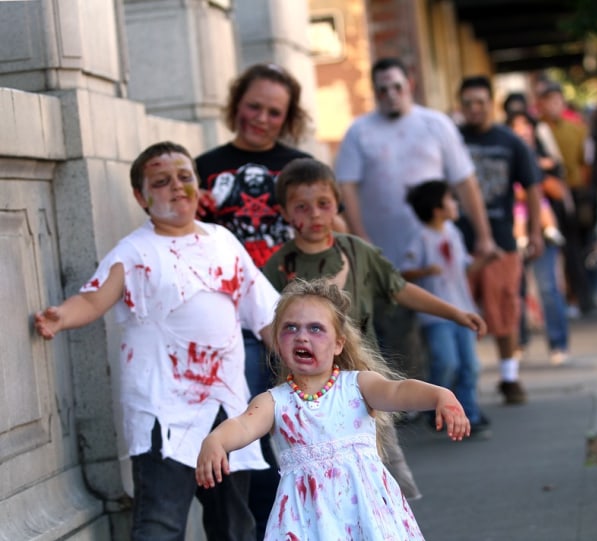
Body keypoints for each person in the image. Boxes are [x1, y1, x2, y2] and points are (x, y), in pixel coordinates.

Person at [33, 141, 280, 541]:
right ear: (140, 196)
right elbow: (94, 297)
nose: (177, 188)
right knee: (160, 525)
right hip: (162, 414)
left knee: (234, 524)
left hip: (227, 407)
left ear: (199, 186)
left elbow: (266, 314)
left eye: (185, 177)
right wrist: (62, 317)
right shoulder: (135, 252)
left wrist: (299, 355)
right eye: (161, 182)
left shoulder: (223, 241)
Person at [261, 157, 487, 499]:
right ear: (285, 213)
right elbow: (265, 322)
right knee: (328, 480)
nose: (315, 215)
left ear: (337, 203)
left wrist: (454, 313)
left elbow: (400, 288)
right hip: (309, 393)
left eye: (323, 204)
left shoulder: (357, 251)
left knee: (385, 468)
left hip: (362, 381)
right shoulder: (279, 266)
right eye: (302, 207)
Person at [196, 278, 471, 540]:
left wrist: (439, 395)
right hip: (306, 520)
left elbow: (397, 390)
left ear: (339, 343)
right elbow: (244, 425)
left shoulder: (357, 386)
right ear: (278, 343)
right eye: (290, 328)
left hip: (365, 513)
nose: (302, 337)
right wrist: (216, 440)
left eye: (316, 329)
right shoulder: (274, 401)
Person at [194, 63, 311, 535]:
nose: (260, 118)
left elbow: (325, 231)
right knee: (241, 446)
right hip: (228, 330)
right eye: (253, 106)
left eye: (273, 112)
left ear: (288, 118)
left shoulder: (297, 166)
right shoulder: (202, 168)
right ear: (236, 103)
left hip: (290, 323)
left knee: (292, 441)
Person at [334, 56, 496, 382]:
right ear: (375, 92)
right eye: (383, 89)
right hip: (387, 258)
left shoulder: (436, 124)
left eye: (397, 86)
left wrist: (484, 234)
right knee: (397, 338)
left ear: (410, 83)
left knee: (448, 333)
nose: (391, 94)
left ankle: (456, 402)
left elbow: (465, 181)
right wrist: (361, 243)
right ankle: (408, 405)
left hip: (439, 254)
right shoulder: (359, 132)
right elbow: (346, 188)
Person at [457, 75, 544, 404]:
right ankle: (464, 384)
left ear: (490, 104)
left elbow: (532, 187)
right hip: (458, 241)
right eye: (468, 103)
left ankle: (509, 377)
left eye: (480, 102)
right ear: (460, 106)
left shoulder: (510, 141)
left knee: (503, 309)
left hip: (502, 240)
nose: (474, 109)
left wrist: (534, 231)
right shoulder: (452, 139)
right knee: (458, 313)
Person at [402, 180, 491, 435]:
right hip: (436, 316)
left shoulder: (453, 232)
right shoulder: (420, 237)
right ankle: (433, 407)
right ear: (436, 208)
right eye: (450, 199)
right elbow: (403, 272)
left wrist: (486, 261)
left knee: (470, 365)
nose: (455, 204)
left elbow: (464, 266)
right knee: (446, 363)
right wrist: (425, 270)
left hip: (463, 309)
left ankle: (469, 413)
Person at [507, 110, 570, 365]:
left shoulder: (545, 160)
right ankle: (518, 343)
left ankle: (558, 343)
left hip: (543, 230)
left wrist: (536, 184)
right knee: (515, 291)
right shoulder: (507, 159)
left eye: (526, 127)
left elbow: (557, 191)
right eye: (516, 127)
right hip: (515, 229)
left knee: (548, 288)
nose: (522, 132)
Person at [536, 79, 595, 317]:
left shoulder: (577, 129)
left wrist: (584, 194)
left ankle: (581, 297)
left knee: (577, 249)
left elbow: (586, 164)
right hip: (546, 197)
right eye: (547, 101)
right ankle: (569, 298)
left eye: (556, 100)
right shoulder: (537, 131)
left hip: (574, 195)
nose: (552, 106)